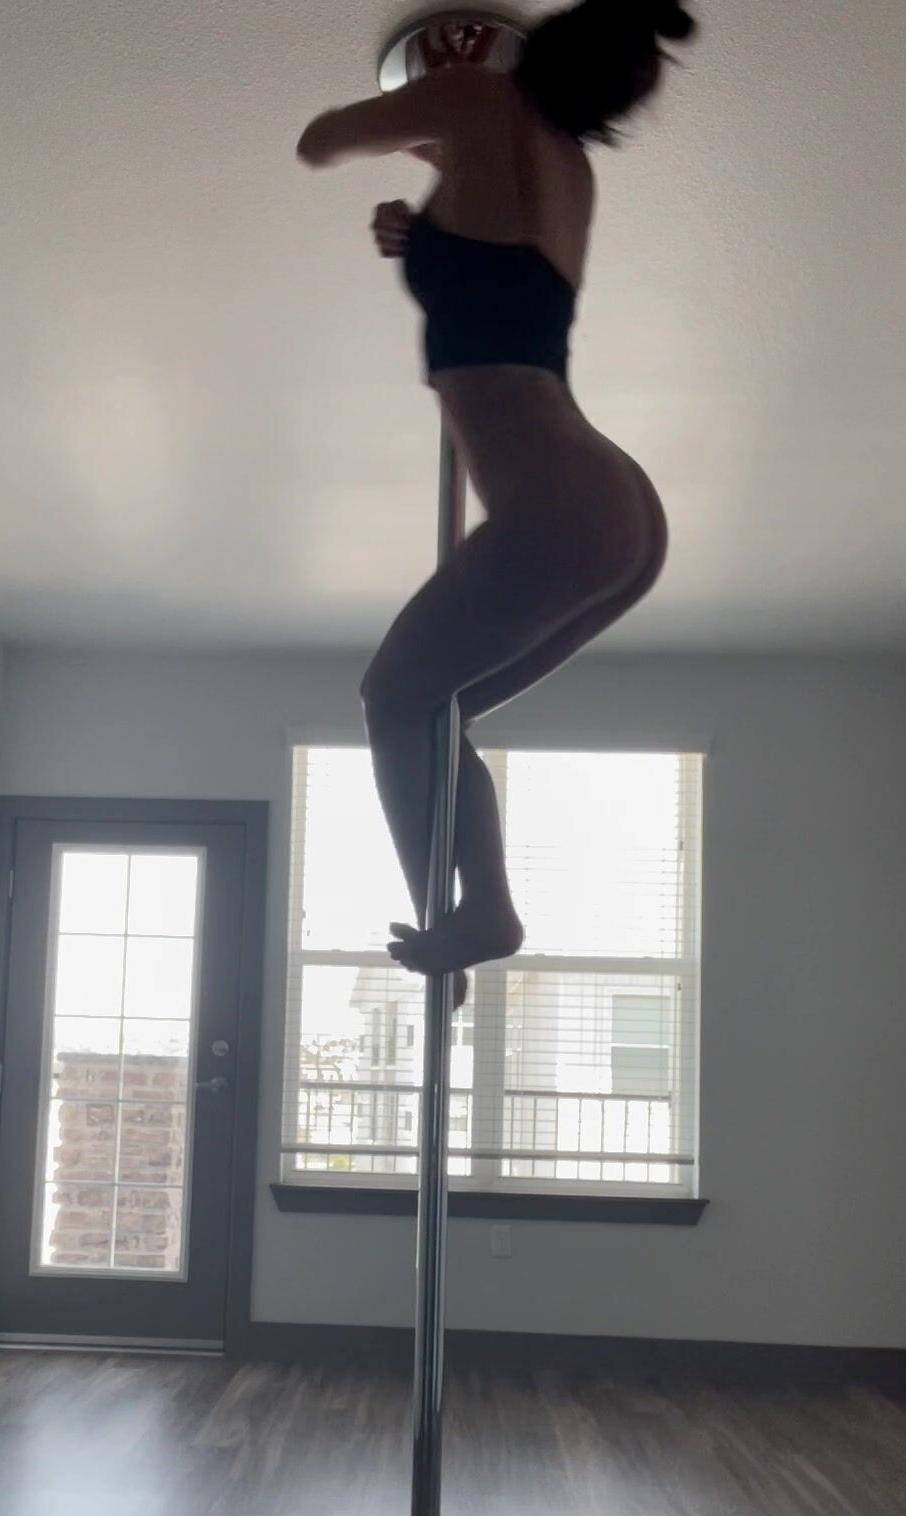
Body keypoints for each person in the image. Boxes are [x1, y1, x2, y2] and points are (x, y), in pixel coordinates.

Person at [297, 1, 697, 1011]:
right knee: (436, 714)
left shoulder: (478, 102)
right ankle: (481, 914)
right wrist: (427, 226)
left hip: (564, 504)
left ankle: (468, 919)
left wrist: (437, 106)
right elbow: (497, 273)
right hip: (613, 510)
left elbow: (320, 142)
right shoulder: (571, 169)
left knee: (396, 702)